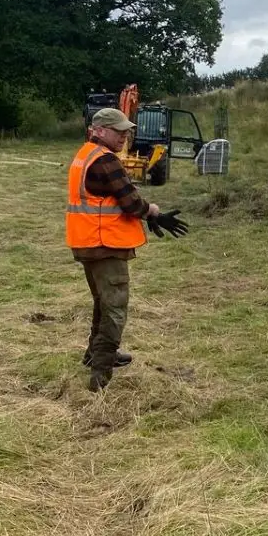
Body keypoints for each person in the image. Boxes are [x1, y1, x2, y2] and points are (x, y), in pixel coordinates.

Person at [65, 107, 181, 392]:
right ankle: (100, 375)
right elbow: (130, 203)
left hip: (87, 242)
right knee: (115, 309)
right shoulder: (106, 161)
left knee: (103, 303)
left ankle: (95, 354)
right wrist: (151, 210)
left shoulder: (84, 155)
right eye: (119, 131)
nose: (125, 136)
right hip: (105, 245)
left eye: (127, 130)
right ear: (100, 131)